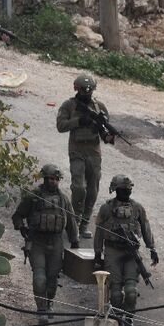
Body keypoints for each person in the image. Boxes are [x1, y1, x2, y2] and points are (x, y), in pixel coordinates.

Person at [11, 164, 79, 323]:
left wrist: (74, 240)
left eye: (56, 179)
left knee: (52, 278)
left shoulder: (63, 199)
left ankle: (49, 303)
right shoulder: (33, 197)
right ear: (44, 179)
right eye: (50, 179)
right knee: (39, 278)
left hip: (56, 242)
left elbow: (71, 221)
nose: (53, 182)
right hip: (37, 242)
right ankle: (41, 308)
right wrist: (21, 227)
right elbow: (18, 215)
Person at [93, 175, 158, 326]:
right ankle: (117, 322)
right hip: (113, 251)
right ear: (116, 190)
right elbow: (99, 232)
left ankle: (128, 322)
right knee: (115, 293)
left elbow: (145, 228)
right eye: (123, 189)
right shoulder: (106, 208)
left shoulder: (137, 208)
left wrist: (152, 248)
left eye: (129, 189)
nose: (127, 192)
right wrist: (97, 254)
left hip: (131, 253)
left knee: (131, 291)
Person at [56, 75, 115, 238]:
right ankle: (73, 221)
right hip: (77, 150)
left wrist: (108, 136)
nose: (87, 94)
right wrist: (79, 121)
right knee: (78, 187)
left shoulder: (99, 107)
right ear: (77, 89)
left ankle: (84, 223)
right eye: (83, 91)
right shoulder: (69, 105)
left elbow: (105, 130)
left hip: (93, 151)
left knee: (93, 188)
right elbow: (60, 126)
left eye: (90, 91)